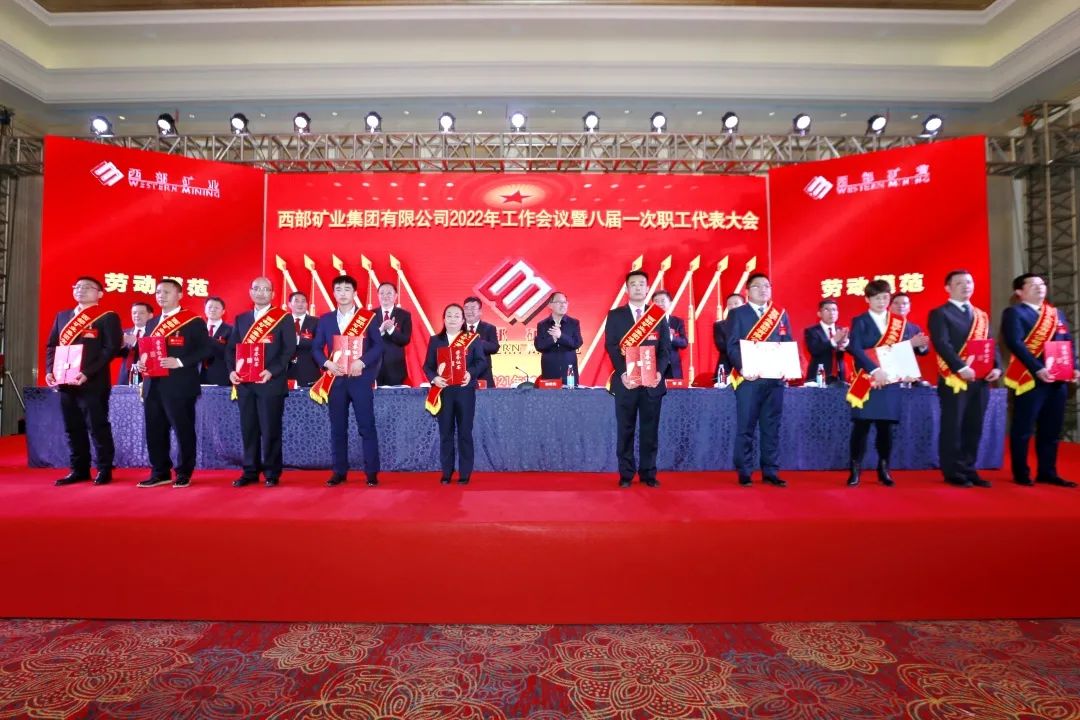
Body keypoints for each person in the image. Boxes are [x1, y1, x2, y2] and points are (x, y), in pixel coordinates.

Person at [845, 279, 930, 487]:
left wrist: (919, 346)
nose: (881, 301)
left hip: (890, 384)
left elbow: (918, 350)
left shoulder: (900, 323)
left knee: (885, 428)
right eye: (876, 298)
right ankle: (855, 469)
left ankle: (884, 469)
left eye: (885, 297)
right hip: (867, 380)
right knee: (861, 427)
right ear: (867, 299)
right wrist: (875, 370)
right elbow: (855, 349)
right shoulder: (860, 321)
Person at [1001, 272, 1079, 488]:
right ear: (1019, 291)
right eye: (1033, 284)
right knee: (1023, 428)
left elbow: (1068, 342)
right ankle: (1021, 473)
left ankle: (1048, 472)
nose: (1040, 287)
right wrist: (1038, 368)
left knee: (1051, 429)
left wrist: (1074, 367)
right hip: (1029, 378)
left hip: (1058, 379)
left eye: (1042, 284)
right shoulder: (1014, 313)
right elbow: (1015, 343)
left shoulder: (1055, 313)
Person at [45, 276, 122, 486]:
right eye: (77, 286)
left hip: (93, 382)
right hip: (65, 381)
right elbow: (52, 346)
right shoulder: (62, 316)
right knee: (73, 427)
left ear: (100, 294)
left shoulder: (107, 317)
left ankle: (104, 469)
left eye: (87, 287)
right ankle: (79, 469)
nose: (81, 290)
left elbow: (111, 348)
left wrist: (88, 372)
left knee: (97, 426)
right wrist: (50, 370)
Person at [928, 270, 1002, 488]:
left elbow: (991, 344)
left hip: (981, 379)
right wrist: (961, 367)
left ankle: (969, 468)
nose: (966, 286)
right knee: (954, 426)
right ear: (948, 288)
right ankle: (953, 471)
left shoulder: (981, 315)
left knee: (974, 425)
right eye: (960, 283)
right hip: (955, 379)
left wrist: (996, 367)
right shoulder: (940, 313)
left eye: (969, 282)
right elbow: (942, 344)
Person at [135, 279, 211, 488]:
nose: (161, 296)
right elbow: (146, 350)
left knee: (182, 429)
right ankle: (160, 472)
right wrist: (141, 363)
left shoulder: (193, 321)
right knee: (155, 430)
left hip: (180, 385)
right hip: (153, 385)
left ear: (179, 295)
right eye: (158, 292)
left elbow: (206, 349)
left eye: (167, 292)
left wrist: (179, 361)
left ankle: (184, 472)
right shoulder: (152, 323)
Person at [311, 275, 384, 487]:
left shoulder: (368, 317)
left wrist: (362, 362)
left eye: (347, 289)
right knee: (337, 428)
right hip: (335, 381)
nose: (342, 293)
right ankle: (339, 471)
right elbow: (316, 348)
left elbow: (378, 346)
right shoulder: (325, 319)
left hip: (360, 379)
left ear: (355, 293)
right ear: (333, 293)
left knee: (366, 426)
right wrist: (327, 363)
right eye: (338, 289)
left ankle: (371, 472)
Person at [604, 270, 671, 488]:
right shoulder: (615, 315)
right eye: (633, 284)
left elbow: (665, 349)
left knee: (650, 431)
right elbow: (611, 346)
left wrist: (659, 371)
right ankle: (626, 474)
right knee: (626, 429)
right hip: (626, 382)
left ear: (647, 288)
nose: (638, 287)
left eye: (642, 284)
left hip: (652, 383)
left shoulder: (657, 315)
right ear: (627, 289)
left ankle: (648, 473)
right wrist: (623, 372)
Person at [227, 277, 296, 488]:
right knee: (249, 429)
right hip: (245, 384)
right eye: (256, 288)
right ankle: (250, 471)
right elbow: (231, 349)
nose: (260, 292)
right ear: (250, 292)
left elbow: (288, 350)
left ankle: (272, 472)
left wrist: (272, 371)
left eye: (266, 289)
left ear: (273, 294)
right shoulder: (241, 319)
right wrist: (232, 371)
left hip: (270, 383)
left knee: (270, 429)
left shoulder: (283, 318)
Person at [726, 273, 794, 487]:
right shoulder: (737, 314)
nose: (763, 289)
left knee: (771, 427)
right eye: (758, 286)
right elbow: (732, 345)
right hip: (749, 380)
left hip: (775, 381)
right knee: (746, 427)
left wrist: (789, 367)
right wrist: (743, 367)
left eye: (767, 286)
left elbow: (787, 342)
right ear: (747, 291)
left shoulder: (780, 314)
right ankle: (745, 471)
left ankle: (770, 471)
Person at [424, 303, 488, 484]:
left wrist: (470, 373)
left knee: (465, 432)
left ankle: (465, 473)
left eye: (457, 316)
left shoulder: (472, 339)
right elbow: (427, 366)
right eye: (449, 315)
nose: (453, 319)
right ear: (444, 319)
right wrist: (434, 378)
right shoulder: (435, 340)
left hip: (465, 392)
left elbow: (481, 362)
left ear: (463, 320)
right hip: (443, 392)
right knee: (445, 433)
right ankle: (447, 471)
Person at [534, 292, 583, 381]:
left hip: (569, 373)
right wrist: (552, 339)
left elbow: (577, 343)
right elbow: (539, 346)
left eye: (565, 302)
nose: (563, 305)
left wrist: (561, 336)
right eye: (559, 302)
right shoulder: (542, 325)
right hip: (549, 373)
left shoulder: (574, 323)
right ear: (550, 305)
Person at [374, 282, 413, 386]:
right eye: (382, 293)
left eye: (389, 293)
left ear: (396, 296)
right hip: (373, 365)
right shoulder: (369, 314)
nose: (385, 296)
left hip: (395, 367)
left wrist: (392, 330)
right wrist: (381, 330)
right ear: (378, 295)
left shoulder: (405, 315)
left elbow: (405, 340)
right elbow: (365, 339)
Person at [803, 299, 850, 384]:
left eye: (834, 310)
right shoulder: (811, 331)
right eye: (826, 310)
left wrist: (846, 343)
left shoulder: (841, 331)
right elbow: (814, 350)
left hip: (839, 377)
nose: (831, 313)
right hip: (818, 376)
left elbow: (853, 351)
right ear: (819, 314)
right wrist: (833, 340)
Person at [463, 296, 500, 388]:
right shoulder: (457, 328)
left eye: (473, 308)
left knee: (488, 397)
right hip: (462, 373)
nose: (469, 311)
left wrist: (475, 342)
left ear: (480, 311)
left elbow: (494, 347)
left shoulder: (489, 328)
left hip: (484, 374)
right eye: (466, 308)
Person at [286, 291, 320, 387]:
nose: (300, 304)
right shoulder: (282, 322)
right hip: (285, 371)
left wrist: (297, 340)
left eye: (303, 301)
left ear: (307, 304)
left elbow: (318, 343)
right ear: (289, 304)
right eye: (296, 301)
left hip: (309, 371)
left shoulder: (316, 322)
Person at [652, 290, 688, 379]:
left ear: (670, 303)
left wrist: (671, 336)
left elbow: (684, 343)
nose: (659, 304)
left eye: (663, 301)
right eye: (656, 301)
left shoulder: (677, 321)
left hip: (673, 367)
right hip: (654, 366)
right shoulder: (647, 322)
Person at [116, 301, 153, 386]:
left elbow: (152, 355)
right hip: (125, 378)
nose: (137, 315)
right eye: (134, 313)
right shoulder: (125, 332)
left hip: (145, 378)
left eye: (141, 313)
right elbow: (116, 354)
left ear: (150, 315)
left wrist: (135, 343)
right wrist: (121, 345)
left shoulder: (154, 333)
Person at [201, 296, 232, 386]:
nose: (212, 310)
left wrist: (208, 339)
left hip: (221, 378)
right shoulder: (198, 329)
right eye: (210, 307)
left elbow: (230, 353)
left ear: (223, 311)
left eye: (216, 308)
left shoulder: (231, 330)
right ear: (205, 310)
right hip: (198, 377)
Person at [714, 293, 744, 382]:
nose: (733, 306)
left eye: (736, 303)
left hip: (748, 365)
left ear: (744, 305)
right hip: (727, 366)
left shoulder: (752, 324)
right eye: (729, 304)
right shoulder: (719, 325)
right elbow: (721, 346)